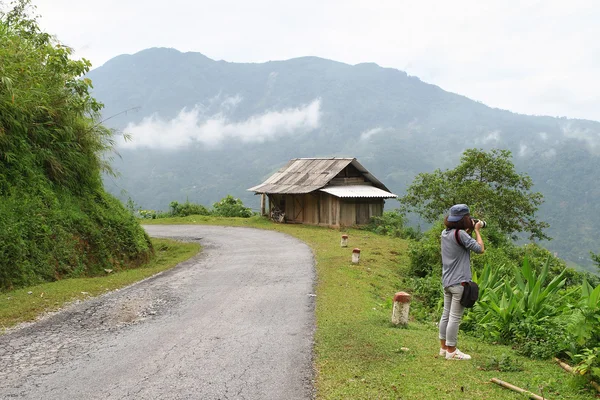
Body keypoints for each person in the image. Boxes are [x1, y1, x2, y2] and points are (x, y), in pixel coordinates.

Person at [438, 204, 485, 360]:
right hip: (459, 283)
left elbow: (459, 242)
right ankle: (452, 351)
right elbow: (480, 249)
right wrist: (477, 230)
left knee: (446, 315)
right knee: (455, 317)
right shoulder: (461, 235)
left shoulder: (445, 233)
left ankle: (443, 348)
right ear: (465, 219)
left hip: (447, 281)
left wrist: (469, 230)